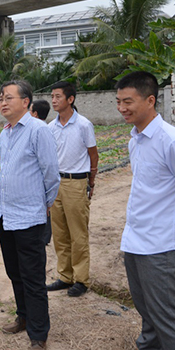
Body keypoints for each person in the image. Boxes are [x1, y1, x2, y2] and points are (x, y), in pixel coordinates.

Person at [112, 71, 175, 350]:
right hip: (136, 237)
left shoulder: (171, 140)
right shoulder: (136, 140)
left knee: (165, 312)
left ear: (150, 100)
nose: (122, 108)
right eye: (118, 101)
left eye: (128, 101)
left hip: (161, 243)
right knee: (145, 305)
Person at [0, 80, 60, 350]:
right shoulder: (4, 133)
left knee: (33, 278)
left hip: (29, 217)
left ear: (25, 102)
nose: (3, 102)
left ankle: (38, 336)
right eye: (1, 98)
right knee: (14, 272)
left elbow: (51, 173)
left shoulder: (38, 130)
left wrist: (43, 205)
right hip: (5, 215)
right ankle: (22, 316)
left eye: (8, 97)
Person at [47, 81, 99, 297]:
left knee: (78, 233)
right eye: (52, 96)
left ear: (70, 99)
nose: (54, 100)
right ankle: (65, 276)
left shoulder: (84, 125)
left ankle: (81, 279)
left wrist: (91, 182)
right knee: (60, 233)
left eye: (58, 96)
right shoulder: (51, 127)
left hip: (76, 183)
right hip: (56, 183)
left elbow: (93, 155)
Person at [30, 99, 53, 245]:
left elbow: (48, 164)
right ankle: (45, 237)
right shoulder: (48, 128)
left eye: (30, 111)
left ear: (35, 114)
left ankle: (44, 237)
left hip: (42, 177)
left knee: (46, 207)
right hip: (45, 177)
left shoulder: (41, 131)